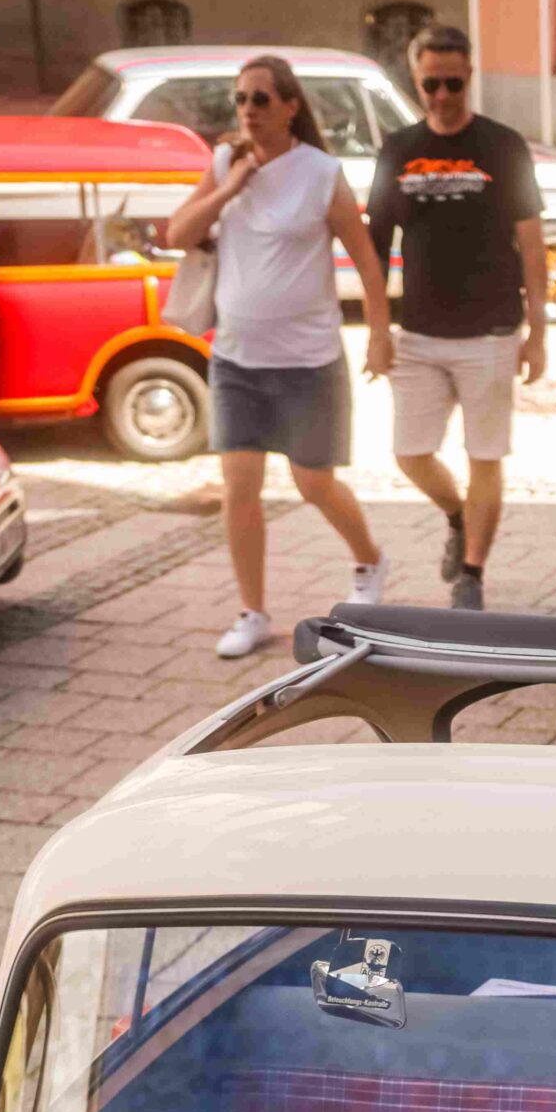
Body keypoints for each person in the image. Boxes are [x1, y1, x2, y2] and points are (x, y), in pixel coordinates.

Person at [166, 54, 393, 661]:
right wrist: (230, 187)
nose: (248, 110)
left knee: (314, 482)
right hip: (237, 359)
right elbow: (177, 234)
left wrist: (378, 334)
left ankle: (370, 561)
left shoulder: (320, 172)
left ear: (290, 107)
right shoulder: (225, 165)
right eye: (240, 99)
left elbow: (367, 261)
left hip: (307, 359)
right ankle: (253, 612)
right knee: (239, 487)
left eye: (260, 99)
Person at [366, 22, 546, 611]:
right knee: (410, 454)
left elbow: (533, 243)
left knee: (485, 457)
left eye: (453, 84)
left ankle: (472, 573)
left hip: (491, 331)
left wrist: (538, 331)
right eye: (430, 85)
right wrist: (376, 333)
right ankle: (457, 515)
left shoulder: (503, 146)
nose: (442, 96)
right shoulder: (398, 149)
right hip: (418, 333)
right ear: (416, 82)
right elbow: (374, 250)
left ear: (469, 76)